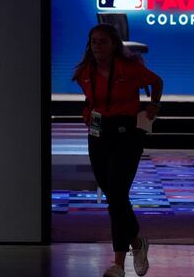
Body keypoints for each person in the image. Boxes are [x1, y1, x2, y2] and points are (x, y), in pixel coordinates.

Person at [72, 23, 162, 277]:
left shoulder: (130, 68)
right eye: (93, 42)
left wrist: (154, 105)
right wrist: (88, 111)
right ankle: (137, 242)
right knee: (114, 197)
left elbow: (157, 82)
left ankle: (118, 264)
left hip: (127, 135)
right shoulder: (84, 72)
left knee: (117, 198)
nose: (97, 46)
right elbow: (90, 99)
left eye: (102, 41)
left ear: (114, 45)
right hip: (99, 135)